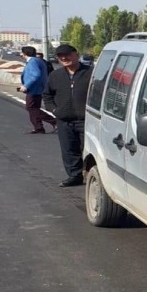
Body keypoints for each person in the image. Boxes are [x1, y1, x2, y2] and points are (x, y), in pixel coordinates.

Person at [43, 44, 93, 187]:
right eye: (60, 56)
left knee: (88, 149)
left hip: (86, 120)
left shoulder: (90, 73)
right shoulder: (55, 76)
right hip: (64, 120)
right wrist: (54, 110)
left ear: (76, 55)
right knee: (69, 149)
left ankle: (91, 175)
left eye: (67, 55)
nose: (64, 58)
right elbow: (47, 95)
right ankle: (74, 176)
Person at [19, 46, 56, 134]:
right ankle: (38, 127)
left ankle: (54, 122)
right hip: (38, 88)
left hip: (34, 89)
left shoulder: (33, 62)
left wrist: (26, 86)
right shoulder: (37, 60)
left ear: (25, 54)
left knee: (31, 108)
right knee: (34, 108)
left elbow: (36, 75)